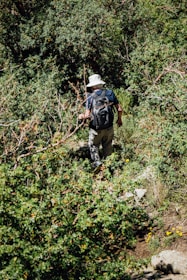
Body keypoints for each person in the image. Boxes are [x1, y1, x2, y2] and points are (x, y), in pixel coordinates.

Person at [79, 74, 123, 169]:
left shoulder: (90, 97)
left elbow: (87, 115)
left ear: (92, 86)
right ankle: (110, 167)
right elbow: (119, 109)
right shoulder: (110, 93)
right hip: (109, 127)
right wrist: (119, 120)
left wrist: (81, 116)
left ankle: (97, 166)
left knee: (93, 146)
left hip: (96, 129)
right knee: (107, 146)